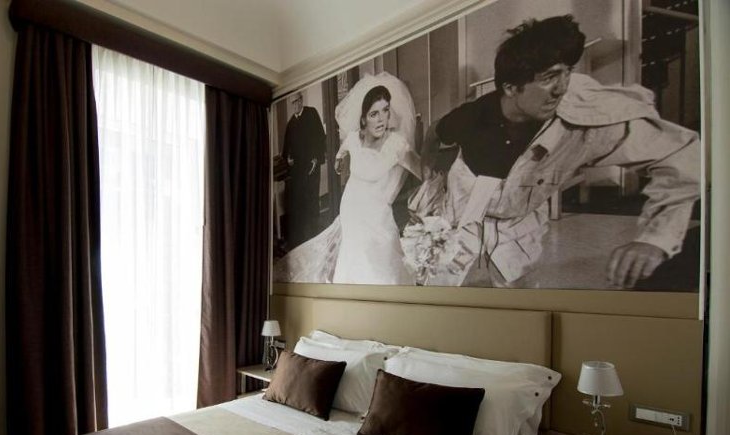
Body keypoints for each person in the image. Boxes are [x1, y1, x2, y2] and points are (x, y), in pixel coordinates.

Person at [416, 14, 700, 289]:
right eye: (549, 77)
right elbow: (434, 134)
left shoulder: (583, 118)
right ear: (511, 88)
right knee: (435, 285)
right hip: (462, 208)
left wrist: (656, 238)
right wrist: (428, 176)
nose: (561, 88)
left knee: (517, 294)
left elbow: (679, 153)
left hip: (518, 218)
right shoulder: (470, 117)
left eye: (567, 72)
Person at [273, 72, 420, 285]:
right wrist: (338, 161)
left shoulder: (396, 145)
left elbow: (423, 172)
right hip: (352, 212)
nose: (381, 119)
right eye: (374, 113)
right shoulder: (353, 138)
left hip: (377, 219)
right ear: (363, 119)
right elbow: (341, 152)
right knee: (353, 266)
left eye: (385, 110)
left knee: (381, 271)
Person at [280, 91, 326, 249]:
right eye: (292, 103)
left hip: (312, 167)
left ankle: (316, 237)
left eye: (297, 101)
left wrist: (316, 158)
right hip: (298, 172)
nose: (295, 105)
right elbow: (285, 150)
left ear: (302, 100)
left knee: (312, 202)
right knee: (301, 204)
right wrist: (288, 159)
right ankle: (304, 242)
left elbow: (321, 137)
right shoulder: (290, 124)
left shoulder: (311, 113)